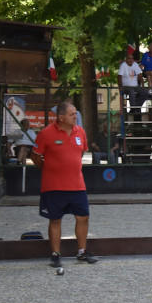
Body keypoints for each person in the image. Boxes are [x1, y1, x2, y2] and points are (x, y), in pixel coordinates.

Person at [30, 102, 99, 267]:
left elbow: (80, 153)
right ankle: (55, 254)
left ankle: (82, 252)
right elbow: (35, 156)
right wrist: (49, 170)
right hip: (53, 185)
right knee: (55, 220)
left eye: (76, 113)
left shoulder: (80, 131)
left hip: (77, 184)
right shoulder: (46, 133)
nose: (76, 116)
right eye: (72, 114)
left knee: (83, 217)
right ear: (61, 117)